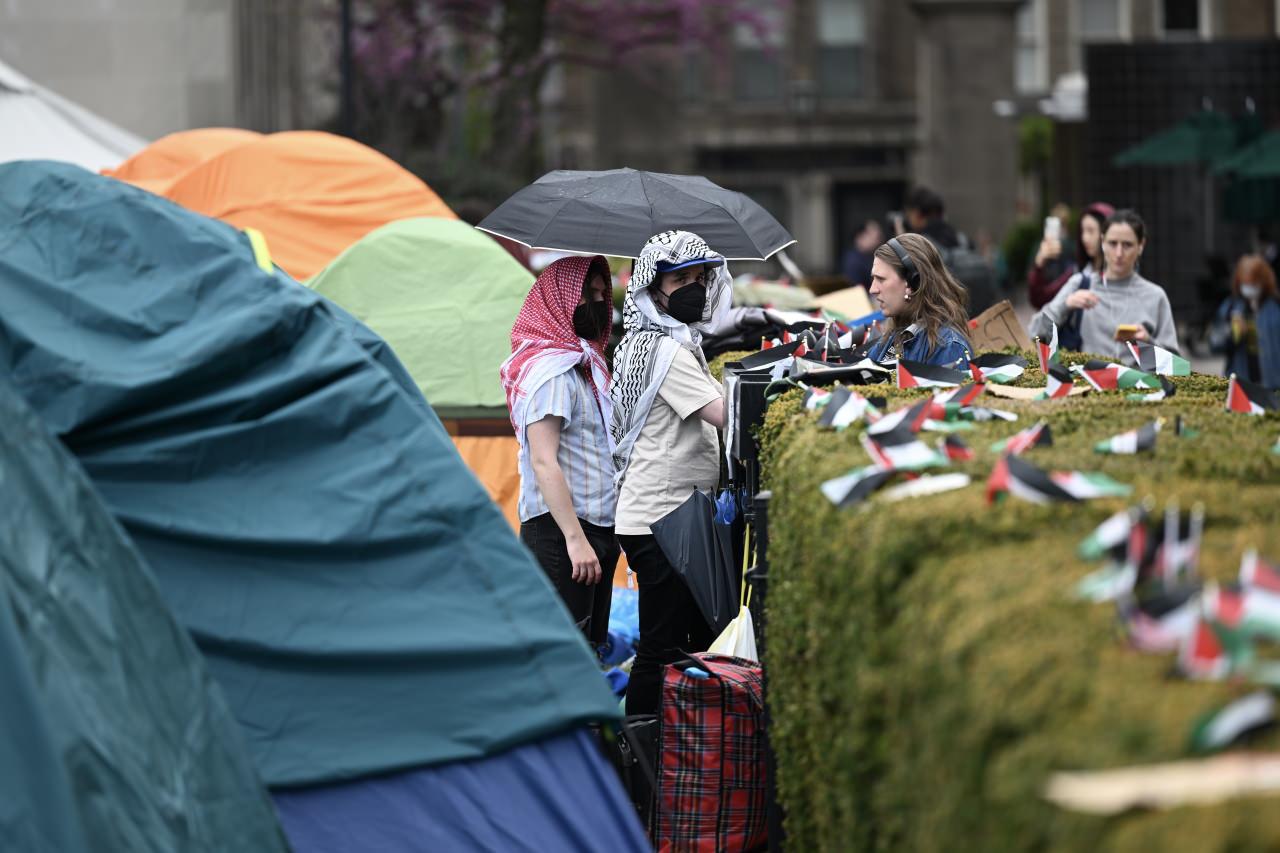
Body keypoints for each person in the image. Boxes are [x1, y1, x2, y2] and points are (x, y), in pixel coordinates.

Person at [610, 230, 729, 717]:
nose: (693, 288)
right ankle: (640, 750)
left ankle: (662, 747)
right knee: (661, 649)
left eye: (700, 278)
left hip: (662, 516)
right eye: (680, 279)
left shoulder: (665, 343)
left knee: (678, 645)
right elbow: (724, 414)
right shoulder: (666, 353)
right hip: (660, 520)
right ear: (651, 289)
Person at [500, 255, 617, 648]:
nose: (599, 304)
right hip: (561, 535)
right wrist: (575, 539)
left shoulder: (583, 368)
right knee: (565, 656)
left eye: (603, 294)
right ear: (562, 300)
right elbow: (542, 460)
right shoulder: (551, 374)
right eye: (590, 295)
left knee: (588, 652)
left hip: (593, 529)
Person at [1032, 209, 1179, 361]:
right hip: (1086, 382)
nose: (1119, 253)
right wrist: (1066, 304)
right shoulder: (1081, 284)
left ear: (1141, 245)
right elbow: (1034, 332)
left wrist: (1148, 343)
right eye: (1112, 243)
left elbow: (1176, 366)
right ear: (1102, 242)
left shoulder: (1155, 296)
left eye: (1127, 245)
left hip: (1139, 383)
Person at [866, 233, 973, 367]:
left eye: (881, 279)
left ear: (913, 282)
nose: (872, 289)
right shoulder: (890, 338)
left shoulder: (948, 347)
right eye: (873, 279)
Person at [1027, 201, 1114, 311]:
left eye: (1091, 231)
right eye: (1082, 231)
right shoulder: (1078, 272)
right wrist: (1039, 264)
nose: (1085, 238)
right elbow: (1041, 299)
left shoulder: (1120, 275)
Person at [1212, 254, 1280, 388]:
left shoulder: (1276, 306)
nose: (1249, 288)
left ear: (1263, 282)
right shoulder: (1231, 306)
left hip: (1274, 384)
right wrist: (1232, 334)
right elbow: (1214, 343)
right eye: (1246, 283)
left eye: (1254, 283)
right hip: (1242, 385)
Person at [902, 185, 960, 250]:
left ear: (917, 213)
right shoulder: (961, 238)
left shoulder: (919, 245)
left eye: (908, 214)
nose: (907, 219)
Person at [842, 219, 883, 287]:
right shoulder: (853, 261)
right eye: (871, 235)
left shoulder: (871, 256)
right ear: (860, 237)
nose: (878, 239)